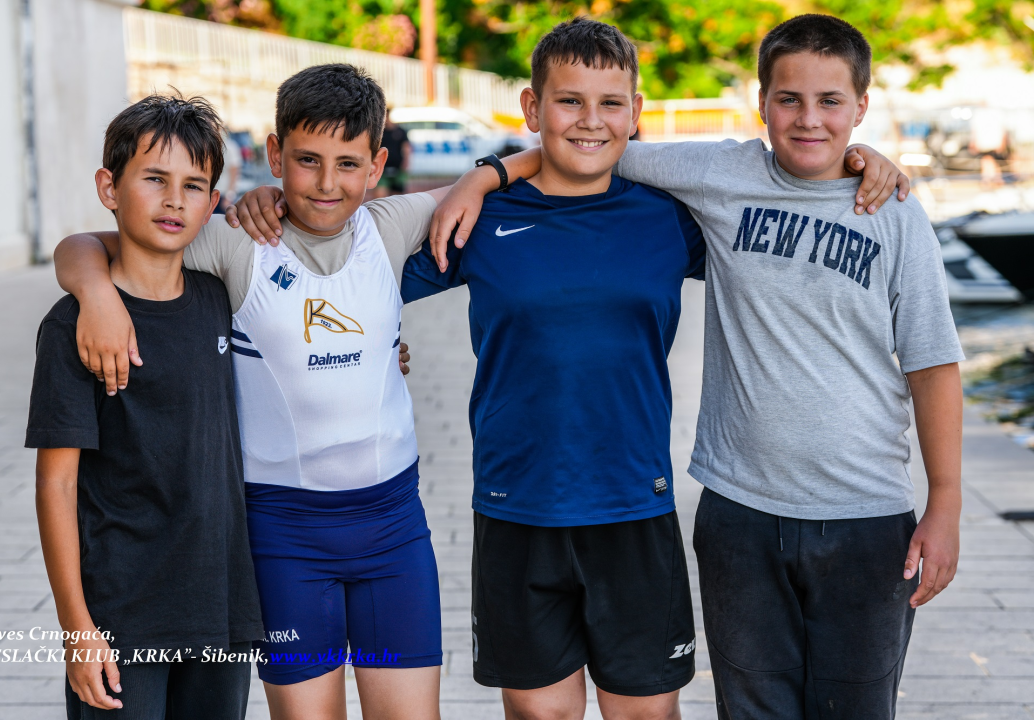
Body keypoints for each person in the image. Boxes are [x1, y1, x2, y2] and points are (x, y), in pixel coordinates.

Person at [432, 14, 962, 720]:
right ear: (762, 102)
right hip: (738, 511)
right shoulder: (720, 175)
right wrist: (489, 174)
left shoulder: (893, 212)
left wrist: (946, 501)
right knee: (750, 707)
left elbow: (932, 364)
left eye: (831, 101)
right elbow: (590, 148)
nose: (809, 118)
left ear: (861, 107)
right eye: (789, 99)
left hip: (865, 514)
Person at [51, 64, 449, 720]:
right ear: (274, 155)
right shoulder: (238, 242)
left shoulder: (391, 226)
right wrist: (94, 292)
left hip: (393, 531)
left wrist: (499, 169)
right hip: (282, 538)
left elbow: (517, 175)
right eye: (306, 160)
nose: (327, 183)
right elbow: (90, 243)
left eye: (348, 164)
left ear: (377, 165)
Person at [27, 94, 263, 719]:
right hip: (122, 614)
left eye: (193, 186)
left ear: (213, 203)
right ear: (109, 187)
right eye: (154, 179)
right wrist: (77, 629)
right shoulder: (74, 325)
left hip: (220, 606)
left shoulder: (221, 299)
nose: (174, 200)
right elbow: (56, 483)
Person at [375, 111, 410, 197]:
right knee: (380, 196)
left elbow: (406, 148)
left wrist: (406, 161)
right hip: (382, 168)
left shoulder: (400, 131)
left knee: (397, 198)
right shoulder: (378, 133)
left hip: (398, 167)